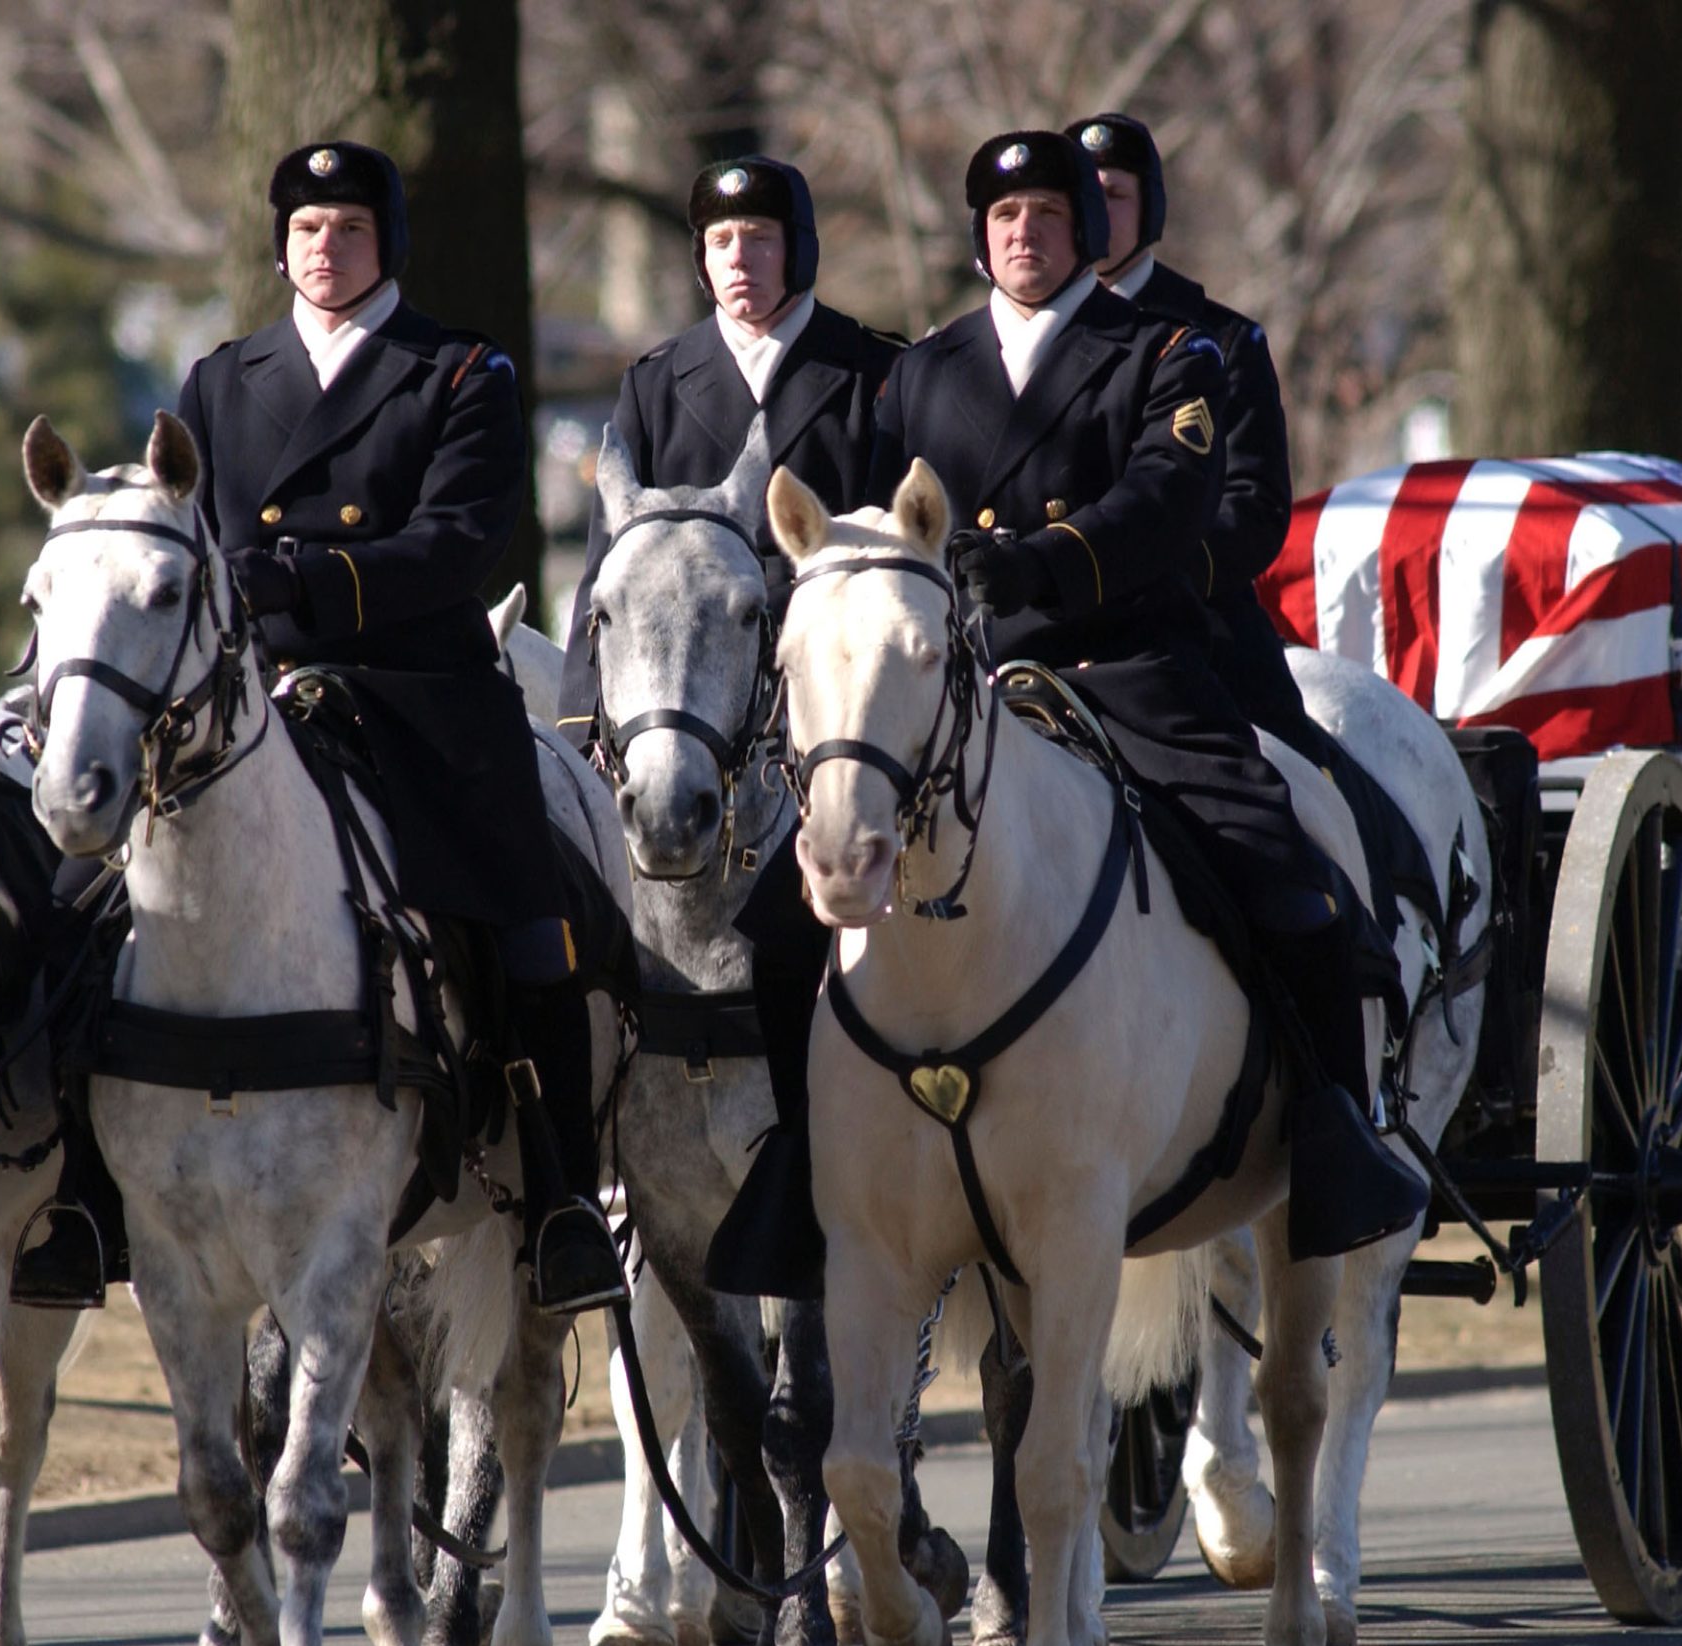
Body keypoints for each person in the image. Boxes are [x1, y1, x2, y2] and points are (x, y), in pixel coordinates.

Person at [715, 129, 1426, 1294]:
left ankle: (1335, 1137)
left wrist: (1043, 563)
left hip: (1129, 665)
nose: (1024, 236)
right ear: (978, 238)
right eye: (1004, 219)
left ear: (1085, 232)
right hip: (962, 680)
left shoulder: (1168, 354)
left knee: (1286, 882)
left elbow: (1166, 502)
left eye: (1048, 216)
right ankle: (803, 1164)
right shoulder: (924, 371)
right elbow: (867, 518)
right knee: (782, 923)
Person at [82, 139, 623, 1314]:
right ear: (281, 248)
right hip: (251, 694)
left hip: (419, 696)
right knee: (90, 899)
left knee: (531, 924)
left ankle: (562, 1201)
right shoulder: (221, 379)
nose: (326, 248)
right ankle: (80, 1196)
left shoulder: (460, 370)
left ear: (389, 245)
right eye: (308, 230)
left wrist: (297, 579)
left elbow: (457, 544)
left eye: (350, 228)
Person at [556, 155, 901, 741]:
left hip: (838, 693)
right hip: (686, 699)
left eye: (759, 238)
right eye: (720, 242)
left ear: (798, 250)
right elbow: (604, 573)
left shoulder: (876, 372)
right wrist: (580, 725)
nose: (738, 258)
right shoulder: (654, 383)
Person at [1066, 112, 1321, 764]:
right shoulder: (1016, 346)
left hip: (1197, 631)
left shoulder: (1222, 339)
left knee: (1305, 793)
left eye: (1114, 195)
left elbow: (1254, 506)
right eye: (1081, 195)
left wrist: (1152, 571)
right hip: (1046, 626)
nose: (1096, 211)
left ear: (1149, 210)